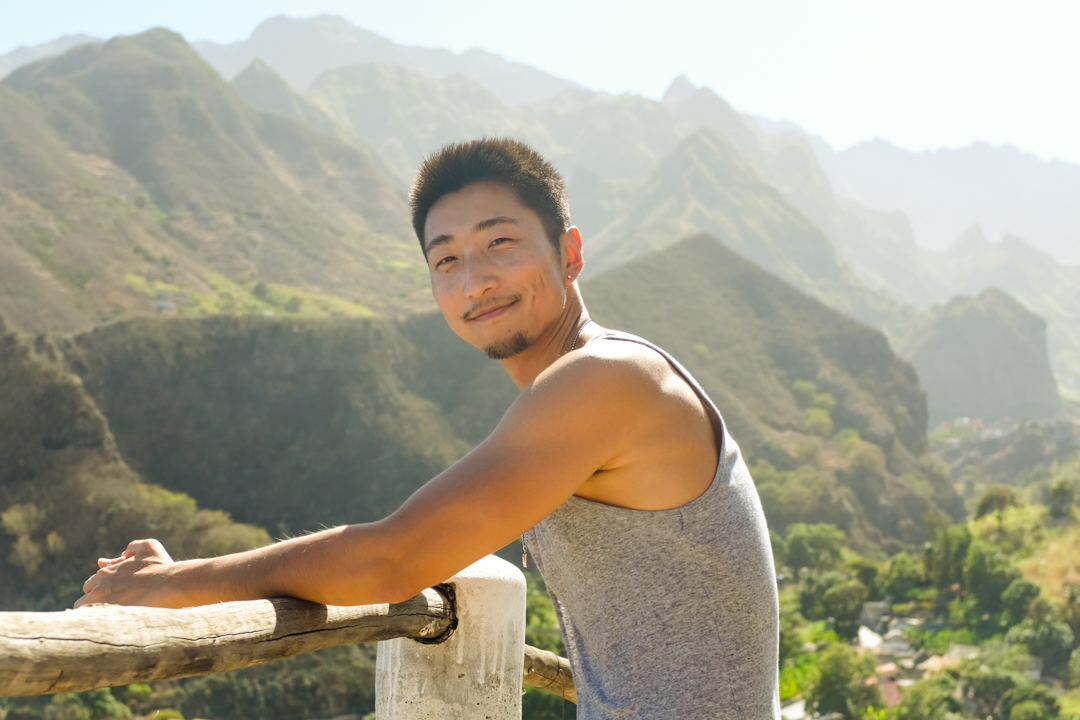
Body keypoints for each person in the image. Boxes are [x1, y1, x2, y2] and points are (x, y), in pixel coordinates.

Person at [77, 138, 780, 719]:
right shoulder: (598, 378)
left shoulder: (605, 381)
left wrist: (171, 584)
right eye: (446, 260)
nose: (475, 280)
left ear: (569, 253)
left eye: (499, 242)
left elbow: (395, 558)